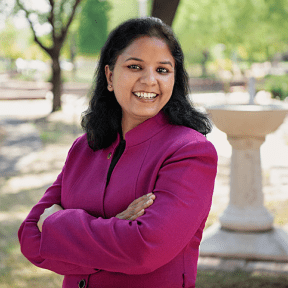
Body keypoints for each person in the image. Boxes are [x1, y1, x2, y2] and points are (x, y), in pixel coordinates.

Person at [18, 17, 217, 288]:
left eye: (163, 70)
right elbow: (30, 238)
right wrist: (116, 229)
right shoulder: (83, 148)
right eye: (135, 66)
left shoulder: (190, 152)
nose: (150, 80)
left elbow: (143, 250)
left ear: (175, 78)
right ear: (110, 76)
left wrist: (57, 225)